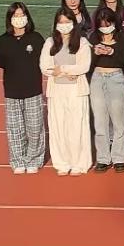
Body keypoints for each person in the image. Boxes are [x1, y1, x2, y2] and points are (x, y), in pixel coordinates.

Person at [0, 3, 47, 174]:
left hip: (33, 90)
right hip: (12, 92)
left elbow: (45, 61)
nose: (19, 19)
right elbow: (2, 64)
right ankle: (17, 160)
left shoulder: (36, 38)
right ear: (10, 19)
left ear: (27, 17)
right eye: (15, 16)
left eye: (21, 15)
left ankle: (34, 159)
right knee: (15, 128)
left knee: (35, 127)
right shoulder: (3, 41)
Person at [40, 9, 92, 176]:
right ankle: (62, 163)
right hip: (56, 91)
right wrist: (68, 72)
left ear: (73, 23)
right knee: (58, 127)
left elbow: (84, 66)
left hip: (76, 91)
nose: (64, 25)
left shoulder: (82, 42)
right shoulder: (50, 42)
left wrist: (62, 69)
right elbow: (45, 67)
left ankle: (79, 163)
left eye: (67, 22)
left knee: (77, 126)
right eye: (61, 22)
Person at [89, 8, 124, 174]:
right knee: (100, 121)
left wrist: (112, 51)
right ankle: (103, 158)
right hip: (97, 78)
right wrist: (95, 52)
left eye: (108, 24)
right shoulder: (94, 37)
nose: (105, 28)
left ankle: (119, 158)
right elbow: (89, 63)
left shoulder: (122, 38)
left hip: (116, 77)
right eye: (102, 25)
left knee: (118, 119)